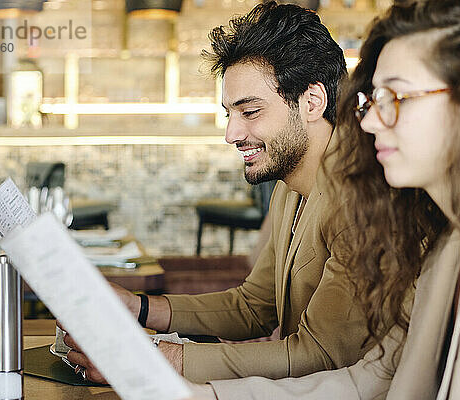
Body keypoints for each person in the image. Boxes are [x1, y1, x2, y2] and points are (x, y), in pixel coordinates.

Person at [194, 0, 460, 398]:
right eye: (374, 99)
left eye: (398, 98)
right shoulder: (449, 246)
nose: (370, 120)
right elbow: (366, 381)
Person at [64, 1, 370, 385]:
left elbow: (321, 357)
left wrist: (157, 359)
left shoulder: (363, 203)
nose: (232, 134)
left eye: (251, 112)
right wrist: (138, 307)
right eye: (230, 113)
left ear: (312, 101)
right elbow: (254, 307)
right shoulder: (289, 189)